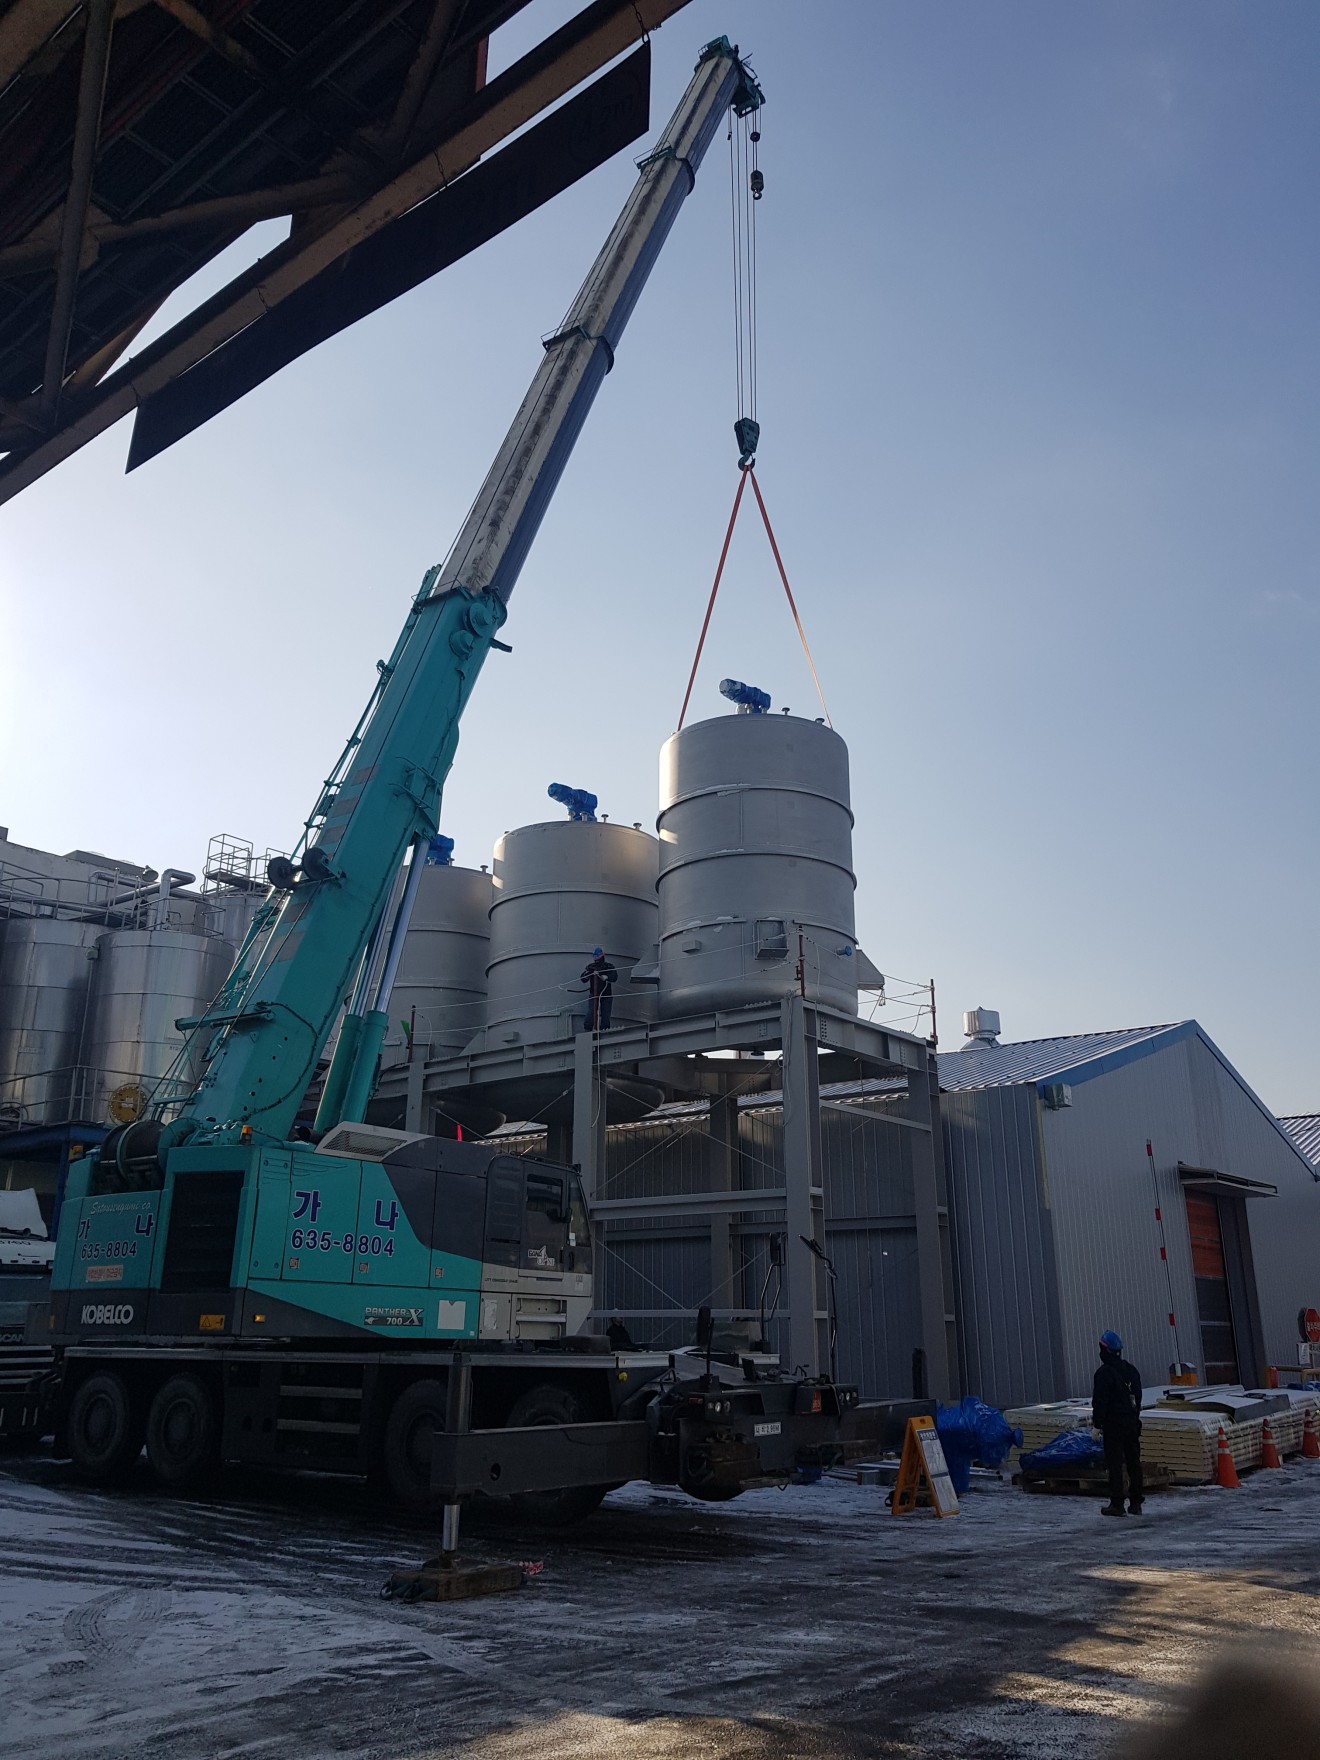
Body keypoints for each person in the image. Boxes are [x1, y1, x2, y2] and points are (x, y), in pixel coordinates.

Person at [1092, 1328, 1144, 1516]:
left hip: (1113, 1425)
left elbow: (1100, 1402)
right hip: (1131, 1423)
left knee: (1114, 1463)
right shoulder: (1131, 1370)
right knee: (1133, 1462)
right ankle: (1136, 1502)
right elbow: (1138, 1397)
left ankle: (1117, 1503)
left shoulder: (1103, 1374)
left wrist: (1097, 1425)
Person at [580, 947, 617, 1032]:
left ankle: (604, 1030)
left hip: (606, 995)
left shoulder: (608, 966)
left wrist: (606, 977)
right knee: (592, 1012)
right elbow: (583, 978)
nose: (597, 960)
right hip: (594, 994)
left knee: (605, 1014)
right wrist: (587, 975)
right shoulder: (591, 967)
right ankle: (588, 1029)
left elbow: (614, 977)